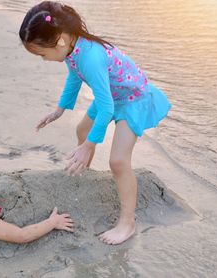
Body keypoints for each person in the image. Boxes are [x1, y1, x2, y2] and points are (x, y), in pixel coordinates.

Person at [19, 1, 171, 245]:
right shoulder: (72, 49)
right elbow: (74, 77)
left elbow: (107, 107)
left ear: (58, 41)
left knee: (118, 161)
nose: (43, 60)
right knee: (82, 129)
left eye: (41, 54)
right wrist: (59, 110)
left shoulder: (90, 57)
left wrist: (89, 146)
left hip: (131, 99)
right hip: (113, 94)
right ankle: (85, 174)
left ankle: (127, 222)